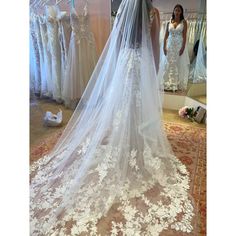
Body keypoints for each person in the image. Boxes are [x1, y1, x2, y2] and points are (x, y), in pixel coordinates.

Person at [30, 1, 195, 235]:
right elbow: (155, 48)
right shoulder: (153, 13)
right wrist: (154, 71)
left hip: (126, 64)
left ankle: (125, 145)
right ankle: (136, 147)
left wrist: (118, 70)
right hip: (142, 63)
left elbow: (116, 47)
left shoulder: (124, 12)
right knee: (138, 107)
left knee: (123, 105)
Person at [159, 4, 190, 92]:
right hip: (170, 45)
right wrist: (164, 47)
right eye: (176, 10)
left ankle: (175, 84)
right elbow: (165, 36)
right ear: (173, 11)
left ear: (181, 12)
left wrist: (183, 47)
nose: (177, 12)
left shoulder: (184, 22)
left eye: (179, 10)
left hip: (179, 46)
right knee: (168, 63)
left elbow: (184, 36)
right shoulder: (169, 22)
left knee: (177, 64)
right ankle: (166, 83)